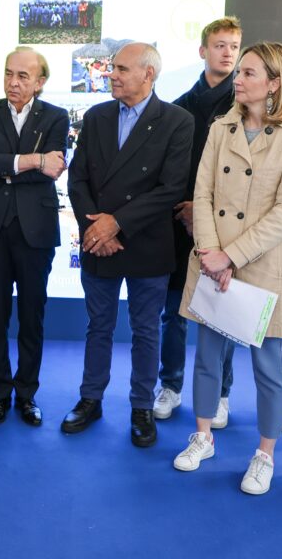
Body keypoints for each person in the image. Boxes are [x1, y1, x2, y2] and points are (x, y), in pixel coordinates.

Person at [173, 42, 282, 495]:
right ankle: (203, 437)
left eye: (249, 73)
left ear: (275, 83)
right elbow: (204, 194)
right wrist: (212, 254)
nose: (239, 78)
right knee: (207, 357)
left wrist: (231, 257)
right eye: (240, 72)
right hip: (213, 262)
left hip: (262, 265)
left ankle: (265, 454)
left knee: (269, 367)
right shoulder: (220, 127)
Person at [63, 42, 192, 448]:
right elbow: (78, 178)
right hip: (98, 241)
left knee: (145, 330)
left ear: (148, 74)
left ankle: (141, 406)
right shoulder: (98, 116)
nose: (111, 75)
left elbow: (171, 188)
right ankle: (90, 398)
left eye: (120, 68)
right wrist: (96, 230)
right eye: (112, 68)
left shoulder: (177, 121)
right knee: (97, 326)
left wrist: (116, 223)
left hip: (146, 242)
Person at [0, 46, 69, 427]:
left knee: (32, 315)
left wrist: (7, 167)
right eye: (9, 73)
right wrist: (32, 160)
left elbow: (55, 167)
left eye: (23, 76)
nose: (13, 82)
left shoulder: (56, 118)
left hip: (36, 230)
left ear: (40, 82)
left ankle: (27, 394)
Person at [154, 16, 242, 426]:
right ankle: (169, 385)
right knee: (173, 313)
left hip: (225, 232)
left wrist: (204, 215)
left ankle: (220, 394)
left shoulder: (246, 108)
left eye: (234, 46)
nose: (227, 52)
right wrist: (186, 209)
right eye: (220, 44)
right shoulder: (177, 108)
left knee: (221, 314)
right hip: (177, 226)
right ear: (202, 51)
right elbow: (167, 173)